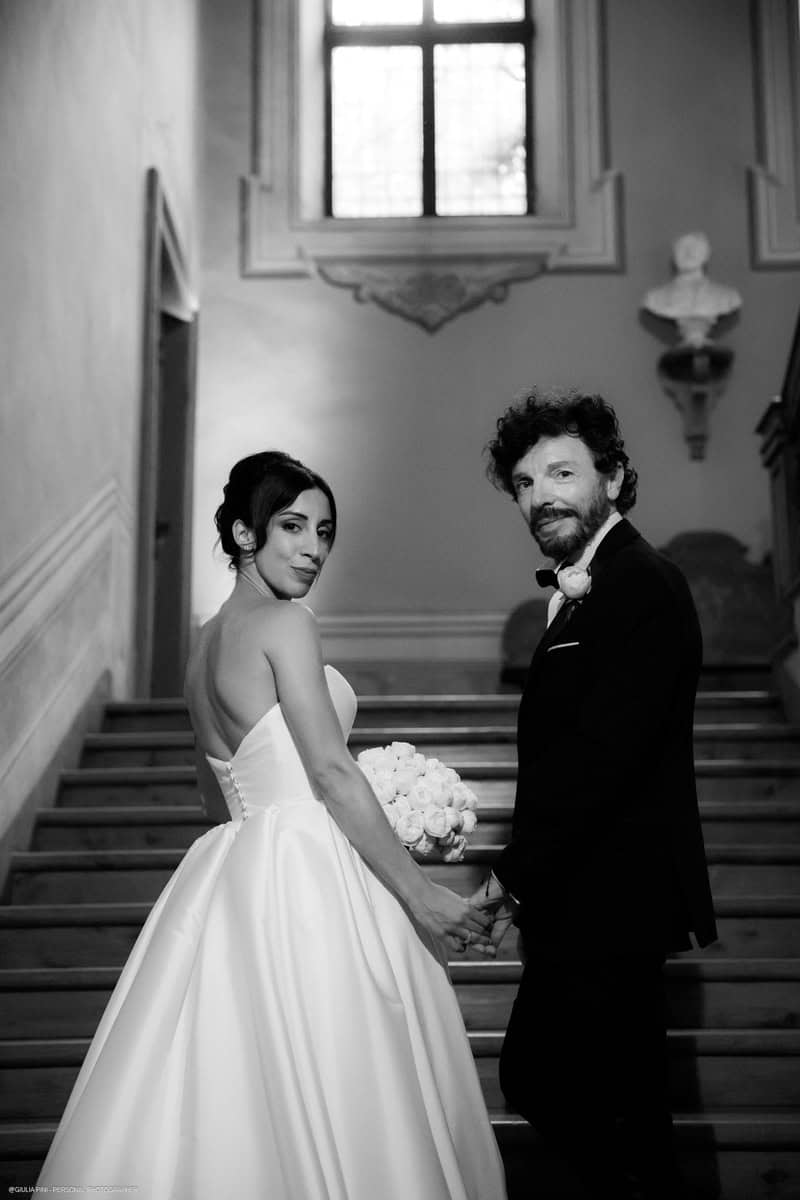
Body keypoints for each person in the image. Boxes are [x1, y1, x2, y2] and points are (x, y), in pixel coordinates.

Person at [38, 450, 507, 1200]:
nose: (313, 548)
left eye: (324, 531)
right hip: (308, 874)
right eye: (292, 526)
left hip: (235, 868)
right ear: (243, 533)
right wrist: (422, 894)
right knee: (345, 1076)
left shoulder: (204, 644)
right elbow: (330, 772)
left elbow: (216, 797)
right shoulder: (288, 622)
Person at [474, 392, 717, 1200]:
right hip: (582, 896)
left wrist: (511, 879)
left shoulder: (642, 583)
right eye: (523, 483)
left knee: (549, 1082)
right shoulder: (599, 584)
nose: (539, 496)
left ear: (611, 477)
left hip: (614, 896)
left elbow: (601, 759)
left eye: (561, 473)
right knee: (627, 1112)